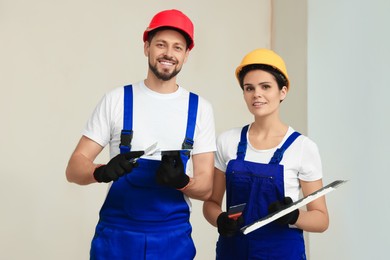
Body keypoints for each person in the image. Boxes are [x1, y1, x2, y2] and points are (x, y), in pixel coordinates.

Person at [66, 9, 216, 260]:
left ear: (187, 55)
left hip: (173, 241)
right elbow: (73, 169)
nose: (169, 53)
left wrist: (183, 182)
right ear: (146, 47)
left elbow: (206, 188)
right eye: (161, 44)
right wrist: (101, 171)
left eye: (177, 47)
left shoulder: (200, 109)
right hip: (116, 238)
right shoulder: (116, 100)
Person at [202, 48, 329, 259]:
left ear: (283, 91)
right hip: (232, 251)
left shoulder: (303, 148)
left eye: (265, 87)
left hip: (282, 252)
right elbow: (211, 203)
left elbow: (322, 219)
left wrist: (294, 216)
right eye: (249, 88)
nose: (256, 94)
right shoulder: (228, 141)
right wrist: (220, 220)